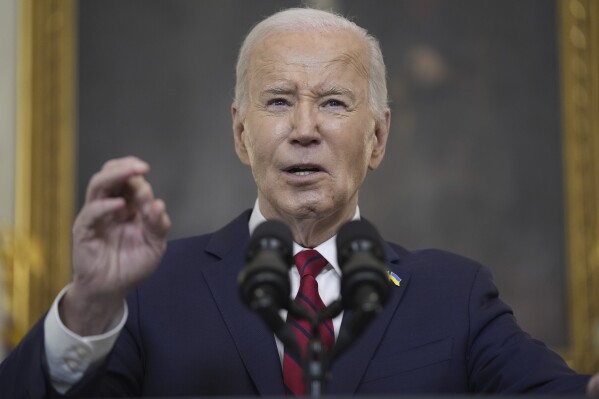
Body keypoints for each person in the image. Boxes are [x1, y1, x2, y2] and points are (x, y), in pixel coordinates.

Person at [1, 7, 598, 397]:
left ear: (378, 138)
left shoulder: (454, 296)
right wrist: (86, 306)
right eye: (279, 101)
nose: (305, 128)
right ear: (241, 134)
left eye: (335, 103)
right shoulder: (150, 290)